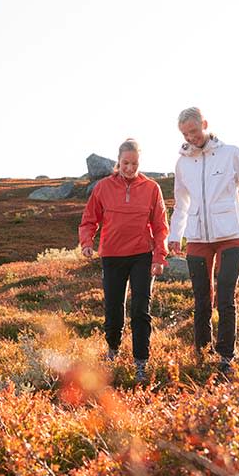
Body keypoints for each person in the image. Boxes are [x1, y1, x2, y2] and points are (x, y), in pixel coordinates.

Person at [168, 107, 239, 377]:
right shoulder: (182, 163)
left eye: (194, 131)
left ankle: (226, 356)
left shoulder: (231, 154)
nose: (191, 137)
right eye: (185, 133)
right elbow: (181, 205)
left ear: (204, 124)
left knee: (226, 297)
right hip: (197, 238)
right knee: (201, 300)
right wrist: (174, 235)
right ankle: (202, 353)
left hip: (230, 235)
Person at [79, 138, 169, 383]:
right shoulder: (103, 187)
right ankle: (113, 350)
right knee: (113, 308)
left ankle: (141, 362)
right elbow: (89, 219)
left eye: (134, 163)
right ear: (118, 162)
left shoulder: (151, 188)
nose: (130, 168)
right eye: (126, 163)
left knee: (141, 309)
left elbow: (161, 226)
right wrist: (87, 242)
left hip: (142, 255)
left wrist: (159, 257)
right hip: (112, 256)